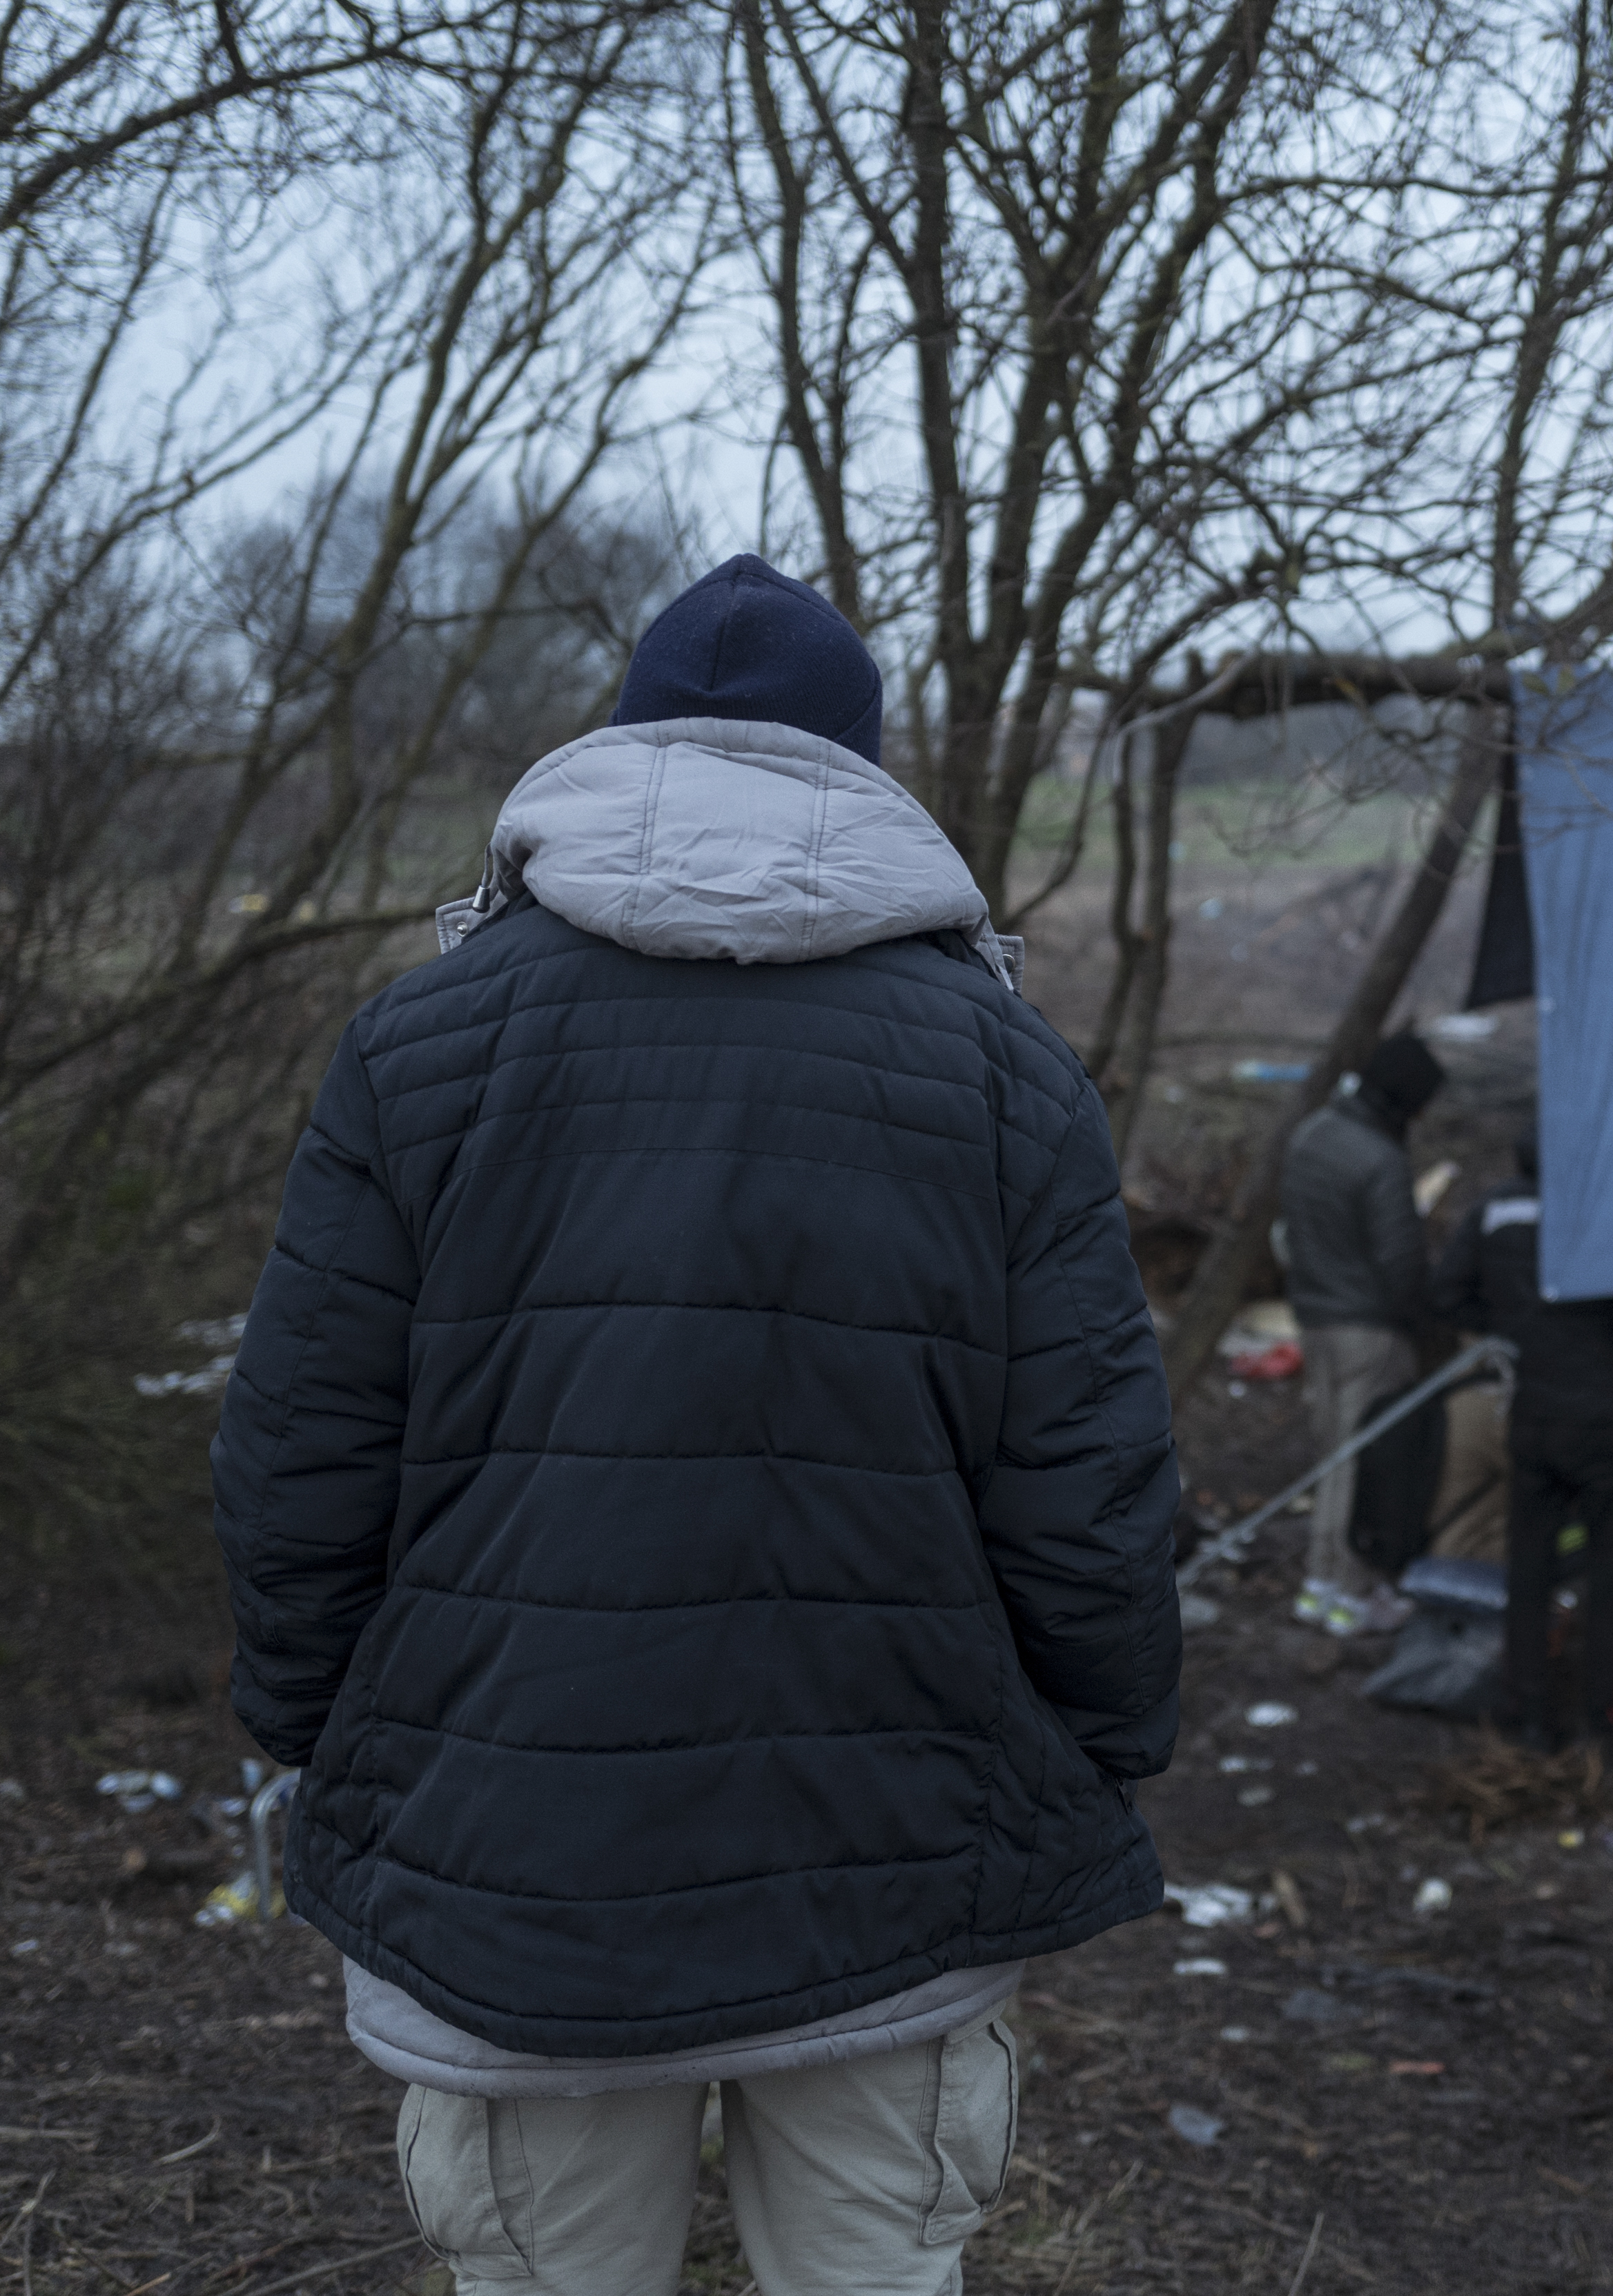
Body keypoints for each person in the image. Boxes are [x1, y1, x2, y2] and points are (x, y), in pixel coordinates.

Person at [209, 554, 1180, 2296]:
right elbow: (1089, 1482)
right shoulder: (1002, 1077)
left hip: (513, 1857)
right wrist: (1104, 1737)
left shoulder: (421, 1048)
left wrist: (316, 1719)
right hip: (898, 1835)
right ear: (862, 774)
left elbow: (299, 1443)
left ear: (625, 742)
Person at [1435, 1128, 1613, 1747]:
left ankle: (1530, 1714)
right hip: (1603, 1418)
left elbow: (1447, 1294)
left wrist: (1515, 1334)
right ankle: (1608, 1716)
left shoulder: (1494, 1211)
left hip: (1531, 1413)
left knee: (1530, 1567)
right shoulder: (1607, 1213)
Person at [1278, 1030, 1447, 1634]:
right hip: (1370, 1331)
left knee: (1333, 1455)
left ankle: (1319, 1583)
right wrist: (1429, 1323)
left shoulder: (1313, 1135)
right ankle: (1350, 1592)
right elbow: (1401, 1267)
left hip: (1315, 1319)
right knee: (1366, 1463)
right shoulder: (1380, 1159)